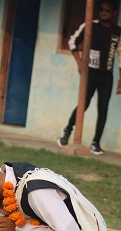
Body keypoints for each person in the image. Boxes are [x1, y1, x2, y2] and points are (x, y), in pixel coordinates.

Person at [57, 1, 121, 155]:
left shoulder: (117, 31)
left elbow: (120, 54)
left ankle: (95, 143)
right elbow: (73, 42)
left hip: (106, 75)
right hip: (90, 74)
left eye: (107, 10)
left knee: (103, 108)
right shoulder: (90, 25)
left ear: (114, 13)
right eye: (101, 9)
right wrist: (79, 63)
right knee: (83, 105)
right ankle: (67, 130)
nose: (103, 12)